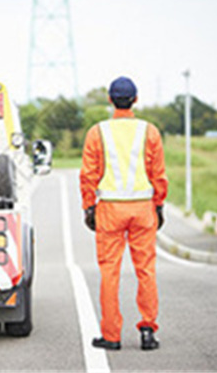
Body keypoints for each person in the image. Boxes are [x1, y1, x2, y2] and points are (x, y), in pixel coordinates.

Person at [79, 76, 168, 351]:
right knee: (146, 270)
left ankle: (111, 335)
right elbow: (159, 174)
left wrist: (88, 207)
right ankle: (147, 331)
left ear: (110, 100)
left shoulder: (98, 132)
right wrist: (159, 204)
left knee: (110, 272)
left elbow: (88, 175)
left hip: (110, 210)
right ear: (136, 99)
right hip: (143, 208)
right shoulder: (149, 131)